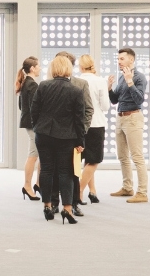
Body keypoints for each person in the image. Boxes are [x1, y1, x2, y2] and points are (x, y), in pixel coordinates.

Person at [30, 56, 85, 224]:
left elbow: (34, 111)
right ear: (69, 69)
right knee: (65, 172)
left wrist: (38, 126)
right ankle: (67, 208)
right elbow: (79, 119)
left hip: (44, 134)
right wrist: (80, 141)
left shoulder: (43, 86)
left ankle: (47, 205)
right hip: (67, 137)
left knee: (46, 170)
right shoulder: (76, 91)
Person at [52, 51, 94, 217]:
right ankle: (54, 202)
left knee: (73, 171)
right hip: (54, 135)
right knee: (54, 169)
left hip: (74, 135)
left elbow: (88, 109)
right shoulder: (48, 83)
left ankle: (74, 203)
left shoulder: (80, 84)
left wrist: (81, 132)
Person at [107, 47, 149, 203]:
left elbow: (139, 100)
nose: (119, 62)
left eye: (121, 59)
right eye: (118, 59)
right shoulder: (121, 77)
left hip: (133, 118)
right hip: (120, 118)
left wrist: (130, 81)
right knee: (123, 156)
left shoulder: (139, 77)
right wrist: (109, 88)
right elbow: (114, 100)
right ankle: (127, 187)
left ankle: (142, 193)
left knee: (137, 157)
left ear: (131, 59)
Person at [77, 55, 110, 204]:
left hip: (79, 125)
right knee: (94, 160)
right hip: (96, 123)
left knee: (85, 160)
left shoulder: (75, 81)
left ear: (80, 66)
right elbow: (105, 106)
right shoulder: (100, 81)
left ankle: (93, 191)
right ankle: (79, 190)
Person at [15, 56, 41, 201]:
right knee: (33, 155)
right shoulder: (32, 85)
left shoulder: (26, 83)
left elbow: (21, 106)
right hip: (33, 124)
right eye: (38, 66)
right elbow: (35, 108)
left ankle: (37, 184)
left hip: (29, 122)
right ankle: (27, 186)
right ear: (32, 68)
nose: (40, 68)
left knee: (37, 154)